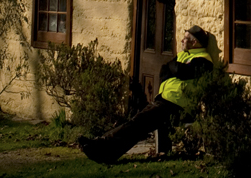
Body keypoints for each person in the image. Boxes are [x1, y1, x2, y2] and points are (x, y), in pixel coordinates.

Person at [79, 25, 214, 164]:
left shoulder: (203, 60)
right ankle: (103, 148)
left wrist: (175, 68)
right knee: (138, 123)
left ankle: (101, 147)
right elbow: (164, 70)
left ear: (194, 42)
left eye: (185, 38)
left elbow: (181, 72)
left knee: (138, 123)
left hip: (178, 106)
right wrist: (175, 68)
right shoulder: (184, 55)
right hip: (166, 101)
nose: (181, 40)